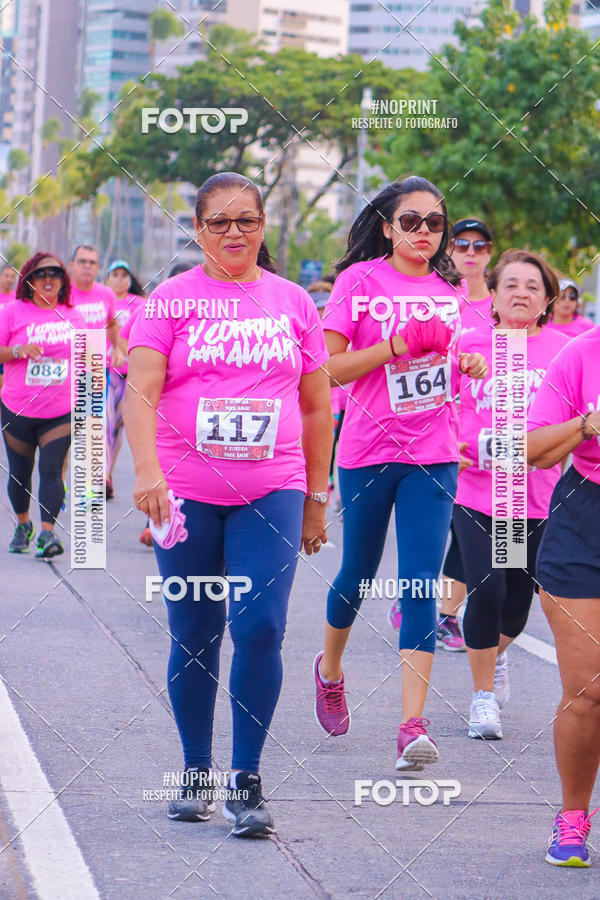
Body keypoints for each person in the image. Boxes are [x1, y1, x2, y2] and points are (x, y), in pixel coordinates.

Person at [124, 171, 332, 837]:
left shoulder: (294, 302)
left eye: (247, 220)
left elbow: (317, 404)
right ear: (199, 229)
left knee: (262, 627)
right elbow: (141, 390)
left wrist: (318, 498)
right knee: (193, 632)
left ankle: (246, 782)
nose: (234, 232)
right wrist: (148, 472)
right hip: (185, 494)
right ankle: (193, 771)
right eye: (220, 222)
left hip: (271, 490)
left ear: (264, 226)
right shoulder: (170, 300)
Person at [314, 175, 487, 771]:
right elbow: (330, 370)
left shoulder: (450, 290)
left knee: (419, 581)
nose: (423, 233)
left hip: (434, 454)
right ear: (387, 226)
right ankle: (330, 669)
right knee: (357, 574)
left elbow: (456, 367)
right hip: (366, 451)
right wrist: (394, 345)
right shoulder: (358, 282)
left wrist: (467, 362)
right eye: (409, 221)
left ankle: (412, 722)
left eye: (434, 224)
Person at [453, 249, 568, 740]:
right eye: (512, 285)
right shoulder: (469, 345)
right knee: (488, 588)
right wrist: (450, 446)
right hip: (479, 493)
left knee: (517, 605)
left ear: (546, 301)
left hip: (532, 497)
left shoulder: (565, 350)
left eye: (533, 287)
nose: (522, 293)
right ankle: (482, 698)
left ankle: (495, 655)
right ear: (494, 296)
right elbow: (437, 404)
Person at [527, 327, 600, 867]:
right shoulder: (581, 354)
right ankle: (573, 816)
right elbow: (530, 450)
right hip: (585, 521)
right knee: (589, 688)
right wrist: (586, 424)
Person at [0, 253, 84, 556]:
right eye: (40, 274)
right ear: (29, 281)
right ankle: (23, 525)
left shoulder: (74, 315)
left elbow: (88, 359)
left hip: (59, 410)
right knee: (20, 473)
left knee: (51, 470)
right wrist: (19, 350)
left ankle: (48, 535)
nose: (48, 279)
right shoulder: (12, 312)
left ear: (64, 281)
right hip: (17, 409)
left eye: (55, 273)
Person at [104, 259, 145, 498]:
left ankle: (107, 474)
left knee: (118, 426)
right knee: (104, 422)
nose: (120, 279)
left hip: (131, 373)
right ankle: (103, 476)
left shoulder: (139, 304)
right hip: (104, 371)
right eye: (115, 275)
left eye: (124, 275)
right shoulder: (102, 302)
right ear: (107, 278)